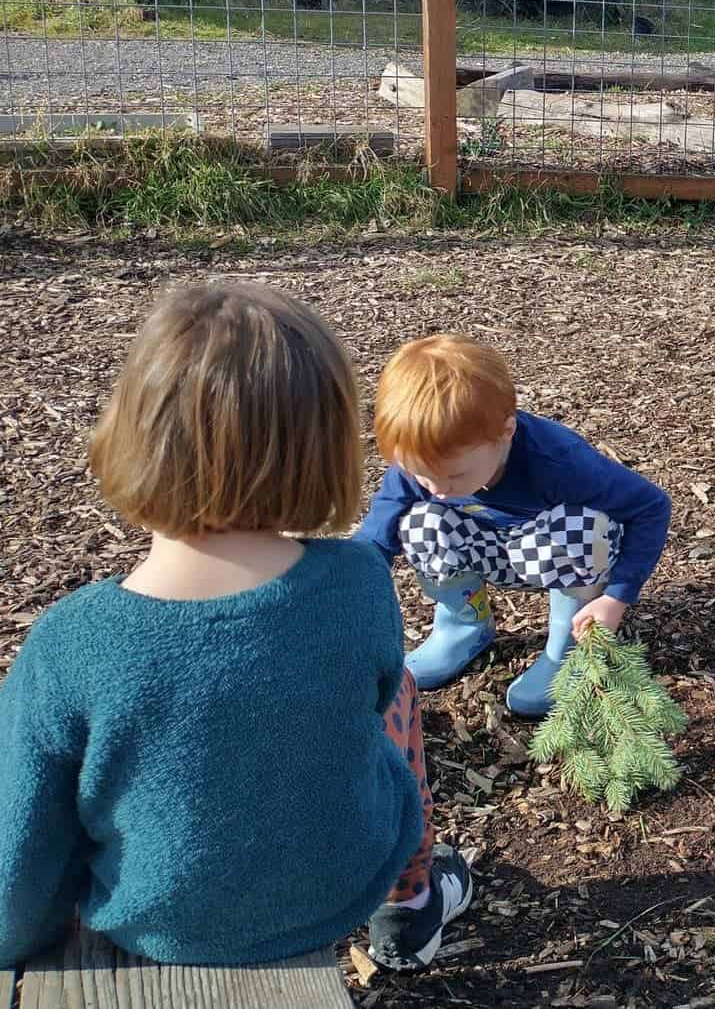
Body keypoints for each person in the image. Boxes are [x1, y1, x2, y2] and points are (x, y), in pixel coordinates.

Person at [0, 284, 471, 971]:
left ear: (136, 435)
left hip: (158, 923)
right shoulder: (355, 584)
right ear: (321, 449)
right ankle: (413, 892)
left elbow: (22, 846)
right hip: (336, 885)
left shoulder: (72, 644)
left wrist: (17, 947)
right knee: (397, 698)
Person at [355, 335, 672, 718]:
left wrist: (617, 597)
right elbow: (377, 534)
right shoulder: (430, 463)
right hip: (495, 550)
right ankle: (463, 626)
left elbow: (651, 507)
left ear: (505, 432)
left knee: (581, 530)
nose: (436, 489)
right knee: (420, 523)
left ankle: (566, 645)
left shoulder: (556, 461)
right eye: (419, 476)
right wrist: (350, 581)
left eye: (454, 476)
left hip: (561, 557)